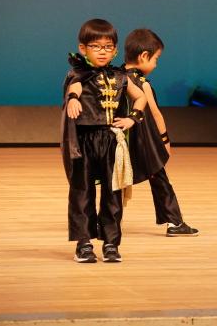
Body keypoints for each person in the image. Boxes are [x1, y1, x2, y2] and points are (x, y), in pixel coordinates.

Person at [61, 18, 147, 263]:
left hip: (111, 141)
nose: (102, 51)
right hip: (84, 141)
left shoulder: (120, 76)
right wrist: (73, 99)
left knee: (113, 193)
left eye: (108, 47)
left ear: (115, 50)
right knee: (82, 192)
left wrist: (132, 118)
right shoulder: (79, 74)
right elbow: (75, 89)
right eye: (96, 46)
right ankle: (84, 244)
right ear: (83, 48)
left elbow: (140, 97)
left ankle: (111, 243)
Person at [122, 28, 198, 236]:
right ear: (144, 56)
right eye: (156, 59)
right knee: (159, 179)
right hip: (144, 144)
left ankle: (106, 223)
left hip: (121, 141)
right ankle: (175, 223)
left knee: (116, 182)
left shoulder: (116, 78)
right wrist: (164, 140)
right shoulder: (141, 84)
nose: (156, 64)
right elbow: (156, 115)